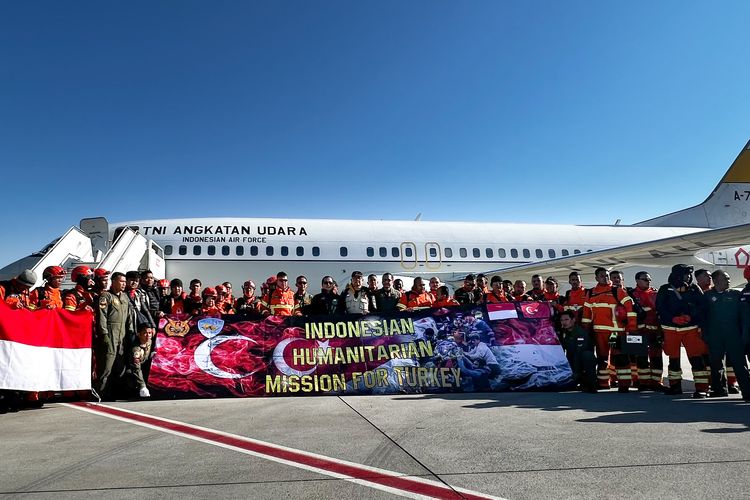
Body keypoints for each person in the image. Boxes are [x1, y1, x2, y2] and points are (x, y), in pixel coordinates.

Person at [656, 264, 710, 397]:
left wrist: (691, 316)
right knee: (673, 359)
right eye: (686, 274)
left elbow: (703, 305)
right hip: (671, 329)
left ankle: (702, 388)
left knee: (696, 357)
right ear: (677, 275)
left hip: (690, 329)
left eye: (689, 274)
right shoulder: (665, 289)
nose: (689, 277)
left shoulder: (694, 288)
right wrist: (672, 318)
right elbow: (660, 307)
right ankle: (675, 386)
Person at [582, 267, 637, 392]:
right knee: (602, 358)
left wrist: (632, 327)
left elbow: (630, 308)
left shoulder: (617, 291)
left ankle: (624, 385)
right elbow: (586, 314)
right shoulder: (591, 293)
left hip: (616, 332)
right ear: (596, 278)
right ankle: (603, 383)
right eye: (602, 276)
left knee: (620, 358)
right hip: (599, 332)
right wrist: (585, 330)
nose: (605, 278)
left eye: (606, 275)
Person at [702, 271, 750, 400]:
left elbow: (745, 316)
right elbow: (702, 316)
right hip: (715, 336)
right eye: (725, 278)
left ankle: (747, 392)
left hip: (733, 336)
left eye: (728, 278)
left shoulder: (736, 295)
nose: (729, 281)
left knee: (739, 364)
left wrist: (745, 334)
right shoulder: (707, 296)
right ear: (716, 280)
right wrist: (705, 334)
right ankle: (719, 389)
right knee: (716, 363)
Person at [95, 271, 135, 399]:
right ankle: (100, 392)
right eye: (121, 281)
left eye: (124, 282)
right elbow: (102, 316)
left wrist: (130, 331)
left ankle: (117, 393)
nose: (124, 284)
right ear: (113, 282)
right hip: (111, 332)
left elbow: (129, 316)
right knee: (107, 365)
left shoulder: (125, 297)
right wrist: (104, 333)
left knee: (120, 365)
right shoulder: (106, 296)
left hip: (122, 334)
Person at [629, 272, 665, 391]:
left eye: (649, 279)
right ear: (637, 280)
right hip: (637, 332)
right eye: (645, 279)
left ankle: (656, 382)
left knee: (657, 359)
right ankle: (643, 383)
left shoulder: (655, 294)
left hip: (654, 332)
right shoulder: (631, 295)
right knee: (641, 359)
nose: (648, 281)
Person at [558, 310, 597, 393]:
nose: (564, 322)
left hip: (581, 360)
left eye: (566, 319)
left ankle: (591, 384)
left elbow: (579, 353)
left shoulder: (580, 332)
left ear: (573, 320)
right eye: (562, 320)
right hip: (571, 358)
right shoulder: (563, 333)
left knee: (587, 356)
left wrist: (575, 372)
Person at [124, 322, 155, 398]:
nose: (148, 335)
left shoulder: (149, 341)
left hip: (143, 366)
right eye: (145, 333)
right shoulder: (136, 350)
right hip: (131, 370)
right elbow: (136, 368)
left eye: (150, 333)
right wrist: (142, 386)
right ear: (139, 334)